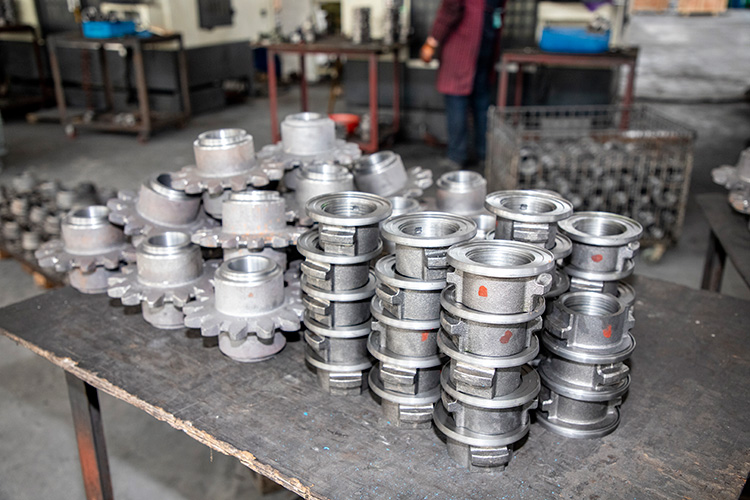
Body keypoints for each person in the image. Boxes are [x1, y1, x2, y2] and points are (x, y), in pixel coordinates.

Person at [421, 0, 503, 169]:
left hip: (465, 38)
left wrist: (433, 40)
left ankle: (456, 156)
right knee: (481, 101)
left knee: (456, 97)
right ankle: (484, 155)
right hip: (487, 36)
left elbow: (451, 6)